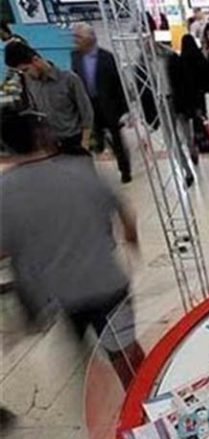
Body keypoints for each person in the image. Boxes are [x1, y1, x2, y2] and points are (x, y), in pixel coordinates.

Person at [0, 107, 146, 389]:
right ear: (41, 136)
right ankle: (141, 401)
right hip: (106, 283)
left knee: (81, 352)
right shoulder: (81, 170)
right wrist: (132, 245)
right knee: (127, 357)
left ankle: (93, 386)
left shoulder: (4, 191)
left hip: (59, 296)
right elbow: (125, 216)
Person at [4, 42, 93, 156]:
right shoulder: (29, 82)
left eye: (26, 70)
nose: (26, 74)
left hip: (74, 142)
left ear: (35, 60)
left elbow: (87, 113)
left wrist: (85, 143)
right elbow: (35, 111)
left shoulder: (69, 79)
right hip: (50, 146)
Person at [71, 23, 132, 183]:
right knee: (94, 140)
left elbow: (118, 84)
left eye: (78, 37)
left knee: (117, 140)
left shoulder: (107, 57)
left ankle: (125, 169)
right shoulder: (75, 56)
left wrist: (124, 109)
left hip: (108, 106)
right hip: (88, 106)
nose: (75, 40)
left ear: (90, 38)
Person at [169, 34, 208, 167]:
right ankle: (203, 143)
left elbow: (178, 83)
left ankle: (192, 148)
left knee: (186, 129)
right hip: (199, 99)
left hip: (185, 102)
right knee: (200, 123)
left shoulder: (180, 61)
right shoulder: (200, 58)